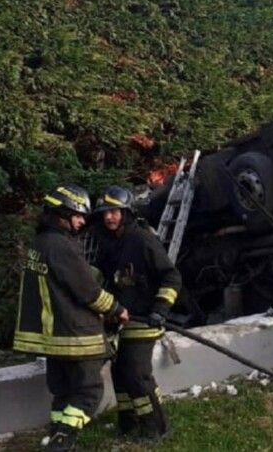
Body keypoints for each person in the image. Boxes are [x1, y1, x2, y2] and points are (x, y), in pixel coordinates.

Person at [13, 185, 129, 452]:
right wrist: (116, 309)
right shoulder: (61, 245)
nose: (80, 222)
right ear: (61, 214)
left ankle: (56, 431)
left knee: (63, 391)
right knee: (89, 391)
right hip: (75, 335)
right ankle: (63, 441)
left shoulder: (39, 243)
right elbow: (87, 289)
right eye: (76, 216)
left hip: (52, 338)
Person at [90, 186, 181, 440]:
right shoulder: (109, 242)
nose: (109, 217)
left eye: (115, 211)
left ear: (127, 212)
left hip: (145, 318)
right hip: (121, 319)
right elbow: (106, 279)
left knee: (136, 373)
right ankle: (129, 425)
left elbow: (171, 277)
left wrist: (160, 309)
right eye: (106, 212)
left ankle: (157, 428)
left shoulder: (142, 239)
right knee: (120, 374)